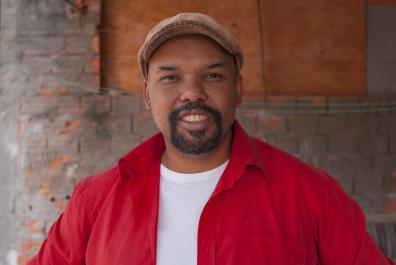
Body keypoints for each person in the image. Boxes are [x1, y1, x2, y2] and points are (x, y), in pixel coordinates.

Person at [28, 12, 394, 265]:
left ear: (238, 89)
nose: (192, 92)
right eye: (170, 77)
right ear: (147, 94)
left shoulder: (310, 194)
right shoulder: (95, 201)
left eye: (213, 76)